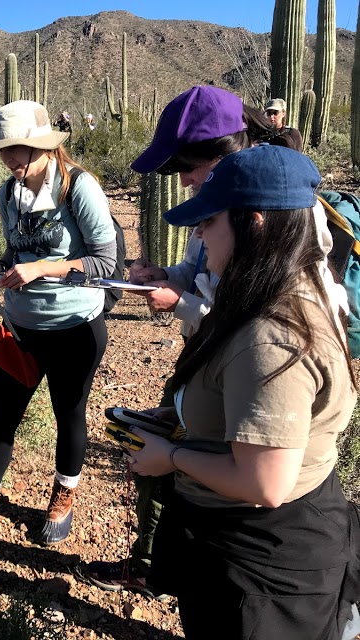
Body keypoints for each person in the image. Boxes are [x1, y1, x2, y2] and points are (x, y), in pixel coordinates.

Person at [84, 85, 348, 599]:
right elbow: (206, 273)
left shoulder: (270, 233)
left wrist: (181, 305)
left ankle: (157, 565)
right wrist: (170, 277)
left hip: (265, 531)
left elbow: (251, 315)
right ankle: (161, 564)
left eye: (187, 162)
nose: (181, 179)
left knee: (189, 465)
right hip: (216, 363)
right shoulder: (224, 211)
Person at [128, 145, 359, 639]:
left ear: (253, 224)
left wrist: (171, 456)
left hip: (262, 573)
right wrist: (180, 421)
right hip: (263, 548)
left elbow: (264, 484)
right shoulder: (283, 288)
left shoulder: (271, 334)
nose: (197, 234)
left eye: (209, 221)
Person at [0, 100, 117, 545]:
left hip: (75, 325)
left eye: (19, 148)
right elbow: (15, 252)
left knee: (68, 414)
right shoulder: (6, 193)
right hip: (21, 326)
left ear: (44, 146)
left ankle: (64, 495)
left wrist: (44, 269)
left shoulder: (79, 188)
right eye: (4, 149)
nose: (11, 158)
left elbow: (106, 261)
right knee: (1, 416)